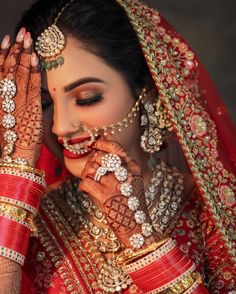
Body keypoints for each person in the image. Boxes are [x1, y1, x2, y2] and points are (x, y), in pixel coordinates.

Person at [0, 0, 235, 293]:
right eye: (44, 103)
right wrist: (16, 172)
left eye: (86, 98)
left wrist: (142, 241)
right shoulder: (31, 223)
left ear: (146, 91)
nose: (60, 126)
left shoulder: (213, 214)